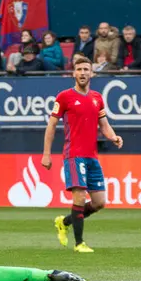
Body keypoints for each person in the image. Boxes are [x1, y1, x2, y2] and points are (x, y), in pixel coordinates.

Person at [42, 57, 123, 253]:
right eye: (79, 69)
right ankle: (79, 244)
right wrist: (46, 154)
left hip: (92, 156)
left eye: (86, 69)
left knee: (99, 202)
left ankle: (65, 222)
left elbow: (103, 124)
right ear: (73, 73)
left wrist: (113, 137)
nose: (83, 73)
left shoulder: (97, 97)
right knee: (79, 196)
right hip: (74, 155)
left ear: (92, 73)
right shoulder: (64, 97)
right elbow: (51, 125)